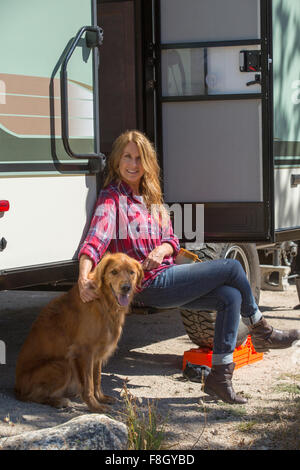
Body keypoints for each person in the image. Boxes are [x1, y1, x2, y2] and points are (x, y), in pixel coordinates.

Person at [78, 130, 300, 405]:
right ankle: (262, 328)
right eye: (127, 157)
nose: (133, 164)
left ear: (147, 163)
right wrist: (83, 275)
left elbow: (171, 239)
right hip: (148, 283)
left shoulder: (151, 198)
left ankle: (220, 378)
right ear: (117, 161)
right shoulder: (112, 198)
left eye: (139, 158)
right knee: (232, 268)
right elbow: (94, 240)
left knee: (230, 297)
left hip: (167, 274)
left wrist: (161, 249)